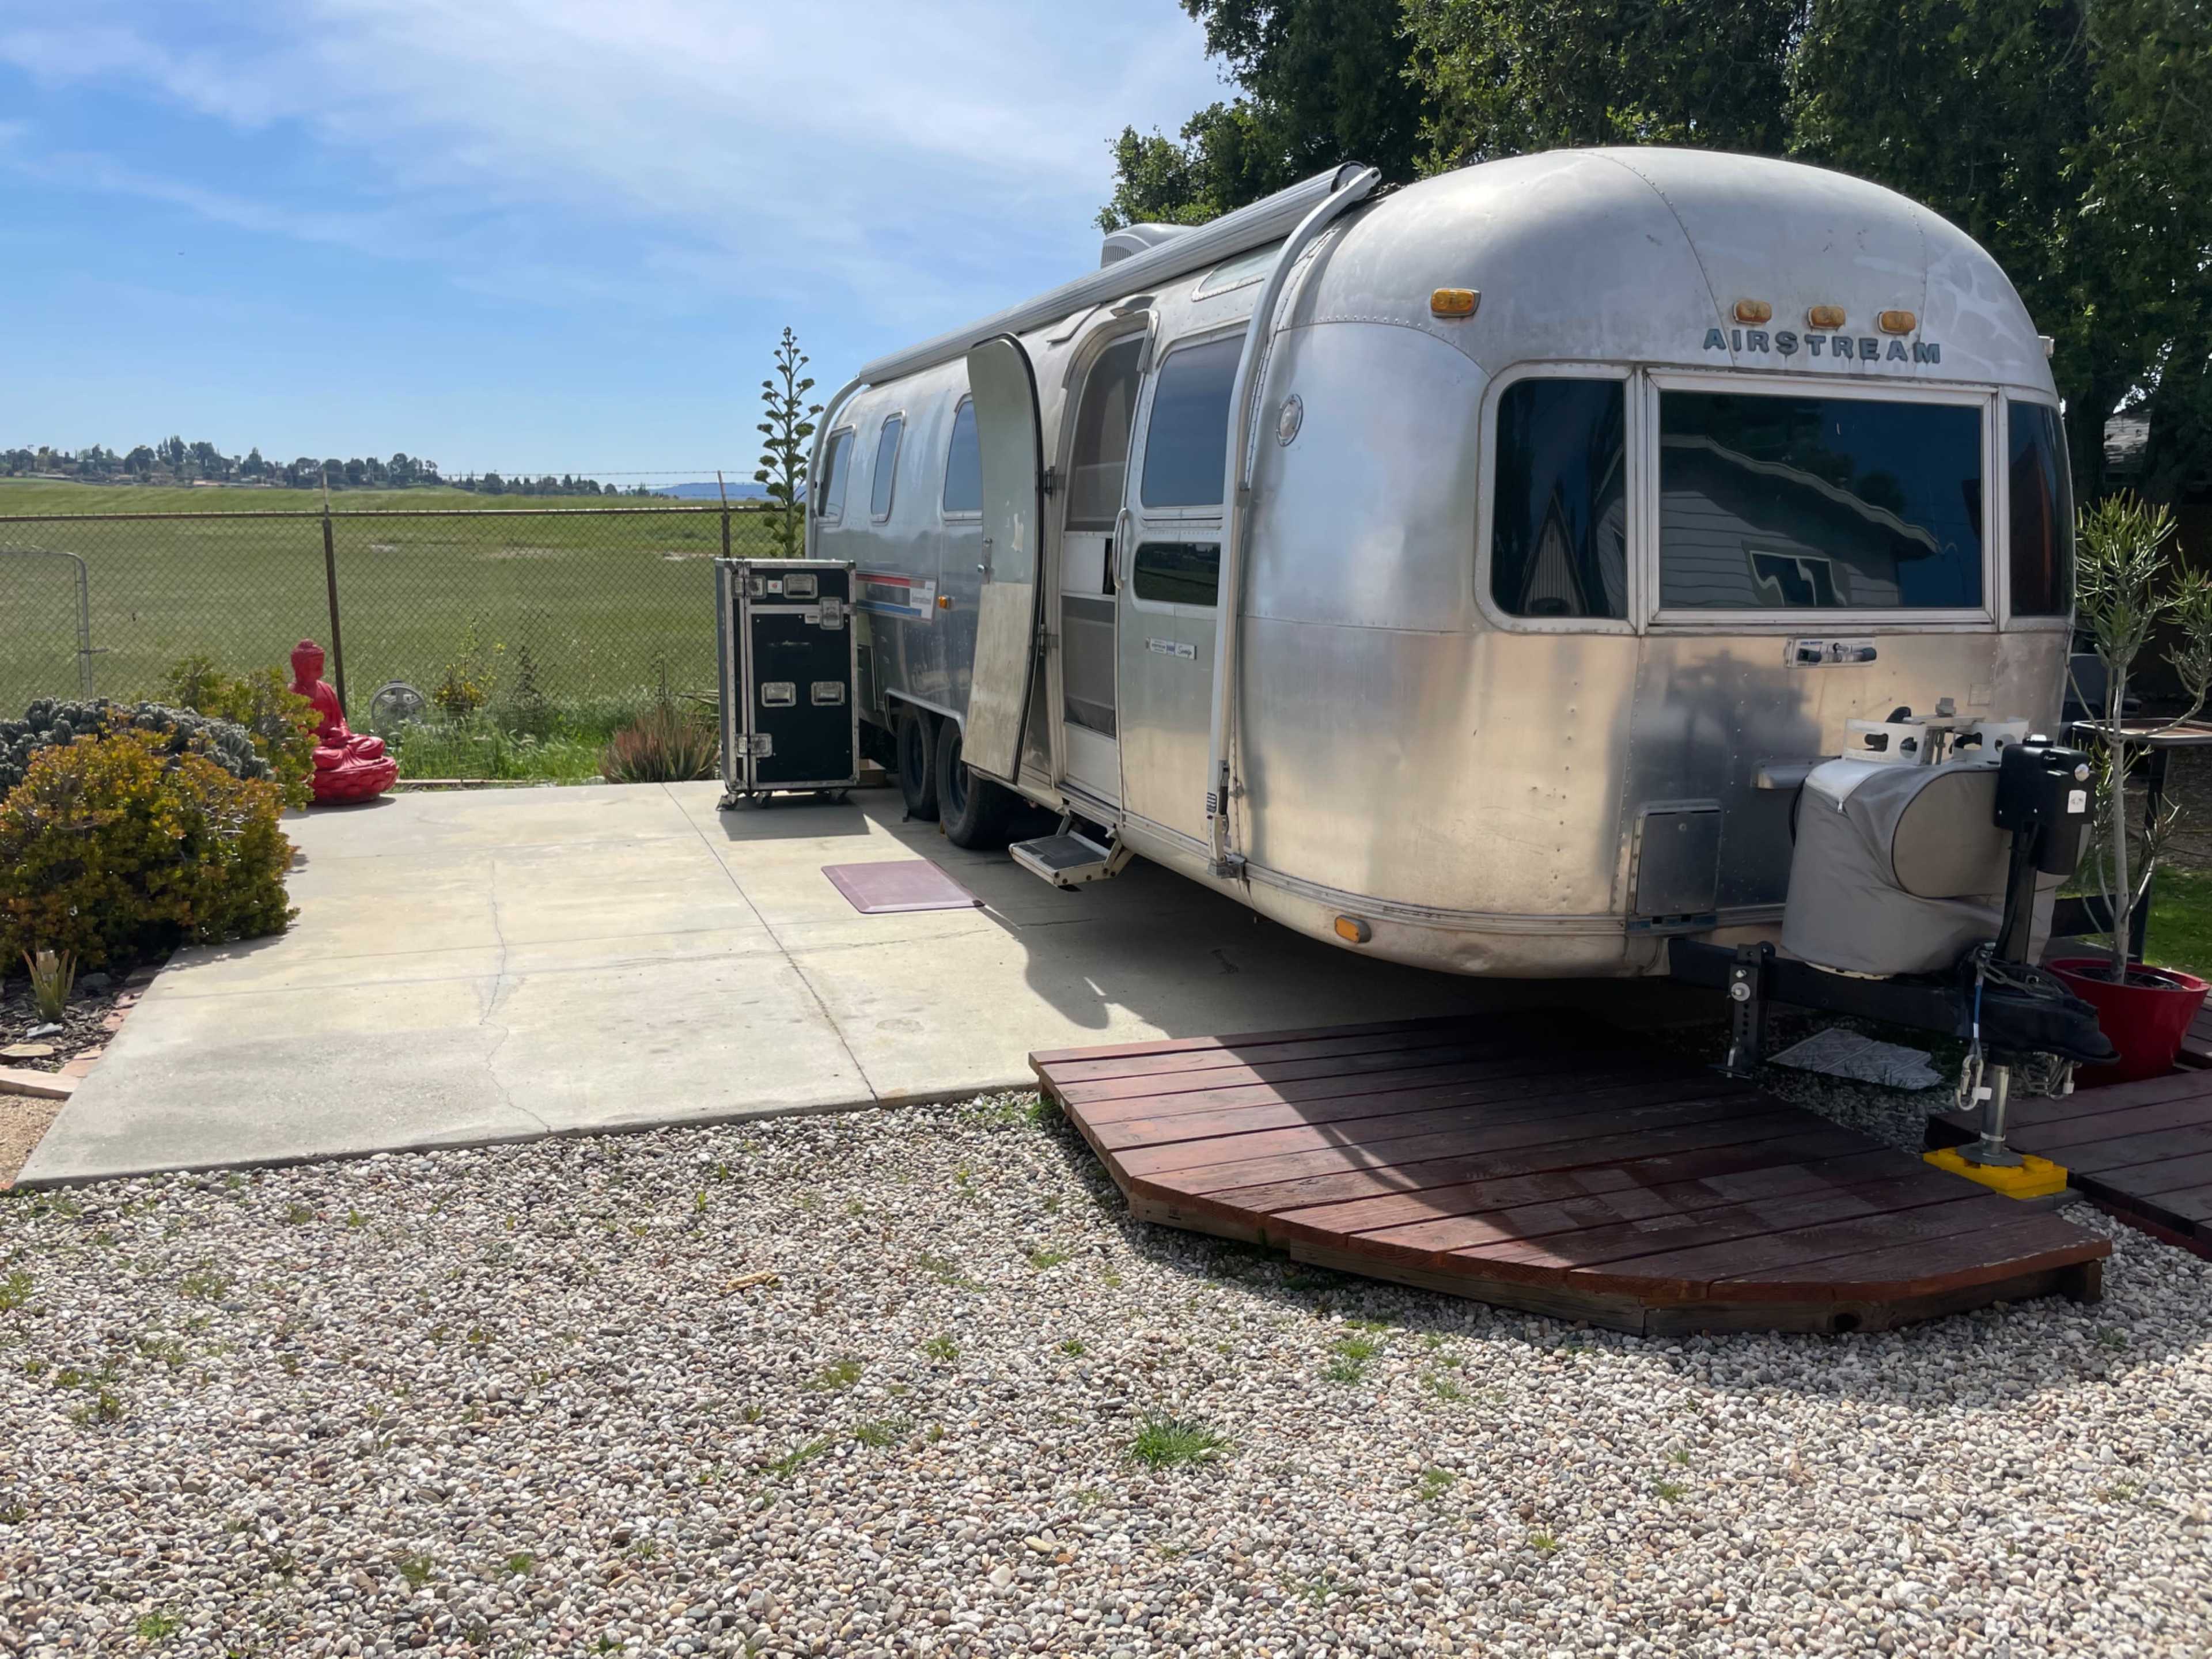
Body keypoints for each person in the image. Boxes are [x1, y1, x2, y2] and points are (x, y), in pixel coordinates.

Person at [288, 639, 397, 802]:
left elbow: (340, 720)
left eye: (321, 664)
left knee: (376, 744)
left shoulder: (326, 689)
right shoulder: (291, 695)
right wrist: (322, 743)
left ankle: (349, 769)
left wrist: (343, 733)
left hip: (341, 746)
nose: (320, 669)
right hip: (317, 750)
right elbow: (293, 735)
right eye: (314, 665)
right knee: (320, 758)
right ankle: (353, 772)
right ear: (300, 667)